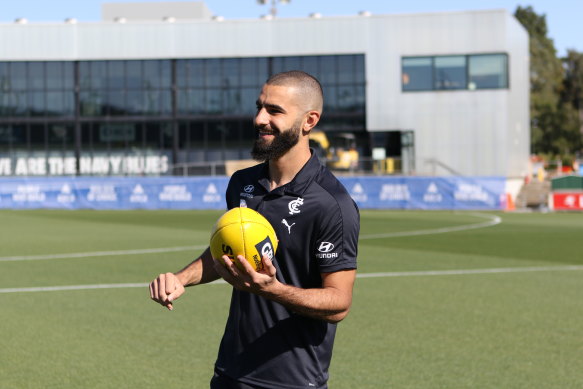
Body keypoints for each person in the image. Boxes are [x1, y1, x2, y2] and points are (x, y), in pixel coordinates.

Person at [149, 70, 360, 389]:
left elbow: (338, 302)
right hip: (230, 371)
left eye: (275, 111)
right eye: (259, 107)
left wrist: (272, 290)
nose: (260, 118)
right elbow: (229, 253)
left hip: (292, 381)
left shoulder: (332, 203)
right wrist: (181, 278)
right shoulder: (242, 183)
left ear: (309, 121)